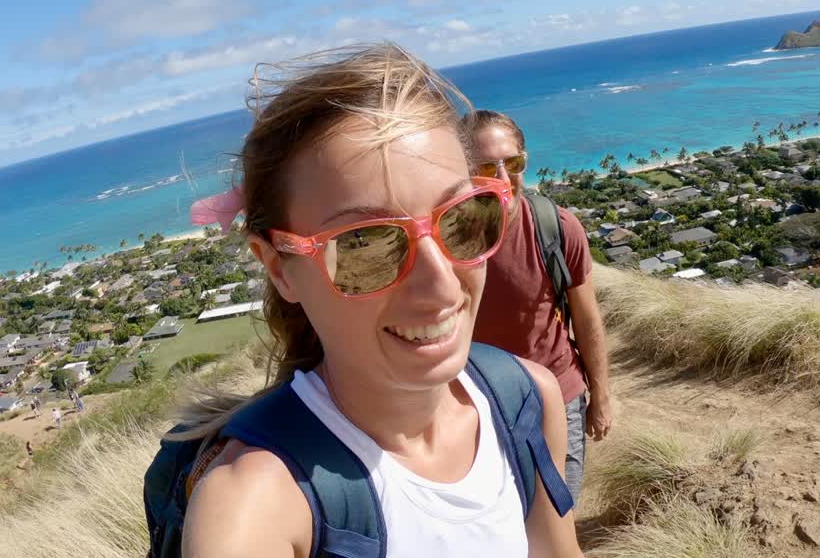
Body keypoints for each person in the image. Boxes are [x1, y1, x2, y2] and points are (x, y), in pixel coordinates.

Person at [173, 44, 582, 557]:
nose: (442, 284)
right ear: (280, 268)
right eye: (365, 243)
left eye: (462, 217)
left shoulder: (527, 397)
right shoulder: (255, 505)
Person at [460, 110, 612, 501]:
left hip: (559, 395)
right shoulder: (446, 244)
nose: (501, 177)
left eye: (512, 163)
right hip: (482, 407)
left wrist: (601, 397)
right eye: (484, 166)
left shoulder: (557, 228)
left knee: (561, 506)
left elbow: (587, 319)